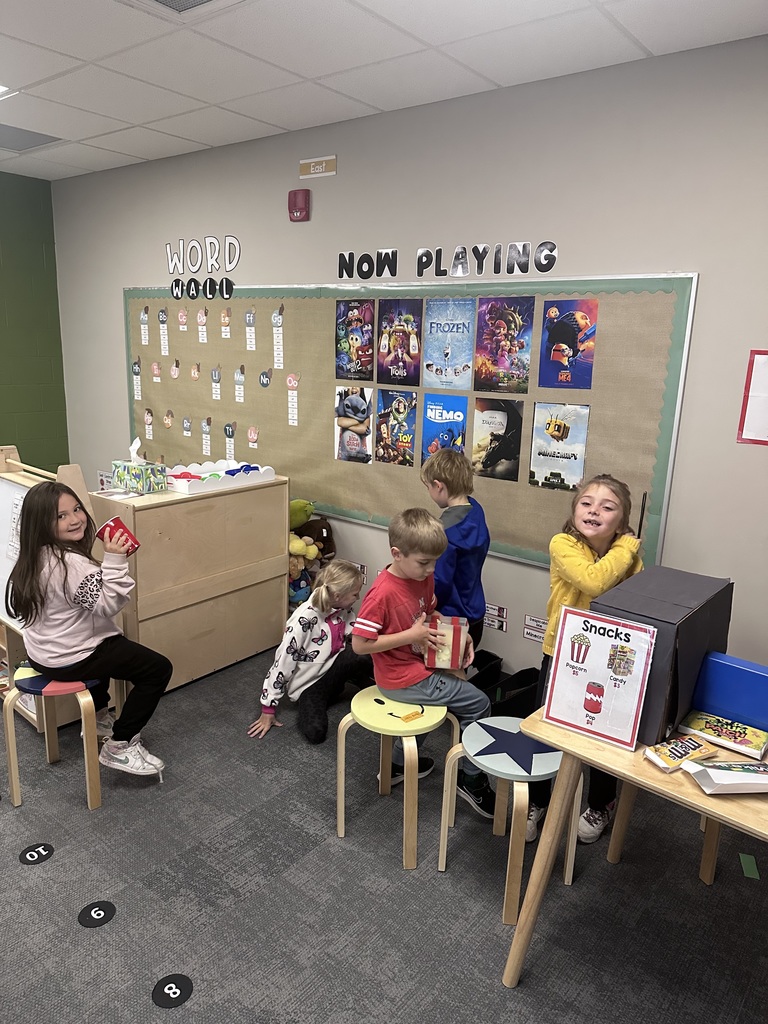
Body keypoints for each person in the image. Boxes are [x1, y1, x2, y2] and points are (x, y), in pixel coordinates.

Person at [4, 482, 171, 778]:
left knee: (113, 644)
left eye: (77, 509)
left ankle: (99, 718)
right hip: (72, 657)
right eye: (61, 516)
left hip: (43, 653)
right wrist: (116, 559)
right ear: (42, 523)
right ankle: (120, 745)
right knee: (157, 668)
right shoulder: (71, 565)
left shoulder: (32, 558)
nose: (75, 519)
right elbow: (108, 605)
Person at [351, 508, 495, 817]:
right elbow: (360, 645)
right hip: (402, 678)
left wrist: (458, 631)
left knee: (442, 699)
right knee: (480, 704)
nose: (431, 570)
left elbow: (430, 613)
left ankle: (399, 765)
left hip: (419, 667)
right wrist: (409, 635)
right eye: (423, 563)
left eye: (435, 563)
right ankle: (470, 778)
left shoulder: (421, 579)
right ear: (396, 554)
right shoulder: (381, 594)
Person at [527, 474, 643, 844]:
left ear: (621, 523)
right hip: (562, 652)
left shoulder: (628, 558)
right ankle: (537, 800)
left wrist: (625, 554)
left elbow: (632, 601)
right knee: (546, 731)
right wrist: (624, 550)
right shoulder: (563, 543)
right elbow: (594, 582)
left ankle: (601, 803)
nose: (594, 510)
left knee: (603, 734)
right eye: (586, 503)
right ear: (574, 510)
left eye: (607, 507)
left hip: (608, 659)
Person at [247, 560, 372, 744]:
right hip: (311, 683)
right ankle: (337, 689)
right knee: (316, 733)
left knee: (364, 654)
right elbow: (281, 664)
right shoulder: (302, 621)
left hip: (333, 665)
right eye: (355, 594)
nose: (358, 597)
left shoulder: (341, 606)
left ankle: (364, 681)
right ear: (337, 595)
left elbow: (354, 631)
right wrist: (268, 709)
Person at [421, 449, 490, 648]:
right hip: (476, 613)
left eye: (428, 487)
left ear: (438, 486)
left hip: (450, 619)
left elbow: (439, 581)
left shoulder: (444, 533)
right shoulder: (476, 510)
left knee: (445, 678)